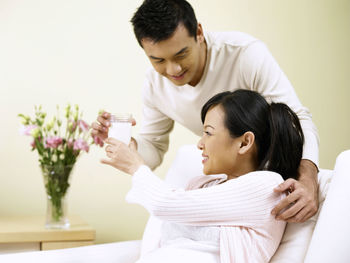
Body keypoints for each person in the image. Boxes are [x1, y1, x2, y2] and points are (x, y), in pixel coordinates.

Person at [92, 0, 319, 222]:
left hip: (263, 184)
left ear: (198, 32)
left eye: (181, 54)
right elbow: (153, 146)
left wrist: (308, 177)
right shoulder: (154, 86)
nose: (174, 69)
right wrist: (129, 147)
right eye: (158, 60)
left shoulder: (244, 54)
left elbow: (296, 118)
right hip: (229, 183)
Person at [100, 89, 305, 263]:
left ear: (244, 143)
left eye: (208, 132)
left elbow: (165, 204)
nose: (200, 144)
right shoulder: (202, 184)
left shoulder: (266, 186)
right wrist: (132, 152)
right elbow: (163, 218)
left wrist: (135, 166)